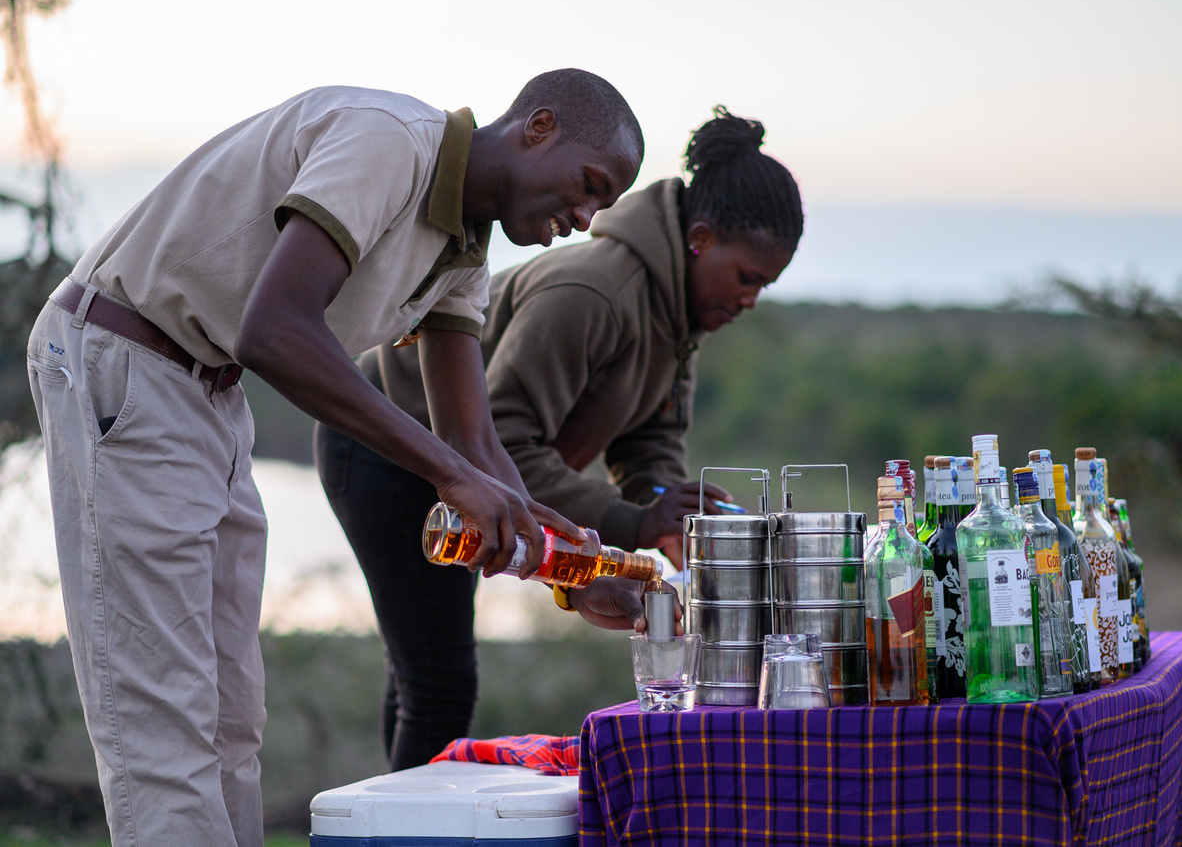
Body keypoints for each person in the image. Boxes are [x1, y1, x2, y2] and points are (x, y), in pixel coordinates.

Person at [25, 69, 644, 847]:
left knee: (230, 718)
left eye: (603, 206)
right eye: (588, 185)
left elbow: (474, 443)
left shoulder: (462, 254)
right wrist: (450, 476)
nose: (584, 217)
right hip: (125, 359)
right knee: (163, 722)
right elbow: (275, 329)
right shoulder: (389, 143)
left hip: (208, 393)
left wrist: (571, 569)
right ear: (539, 127)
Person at [315, 106, 805, 770]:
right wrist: (626, 520)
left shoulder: (679, 320)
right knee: (439, 677)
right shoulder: (591, 293)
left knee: (423, 669)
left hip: (466, 463)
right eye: (747, 277)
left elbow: (648, 444)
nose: (751, 300)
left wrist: (665, 511)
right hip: (385, 447)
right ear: (699, 238)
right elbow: (502, 445)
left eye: (765, 287)